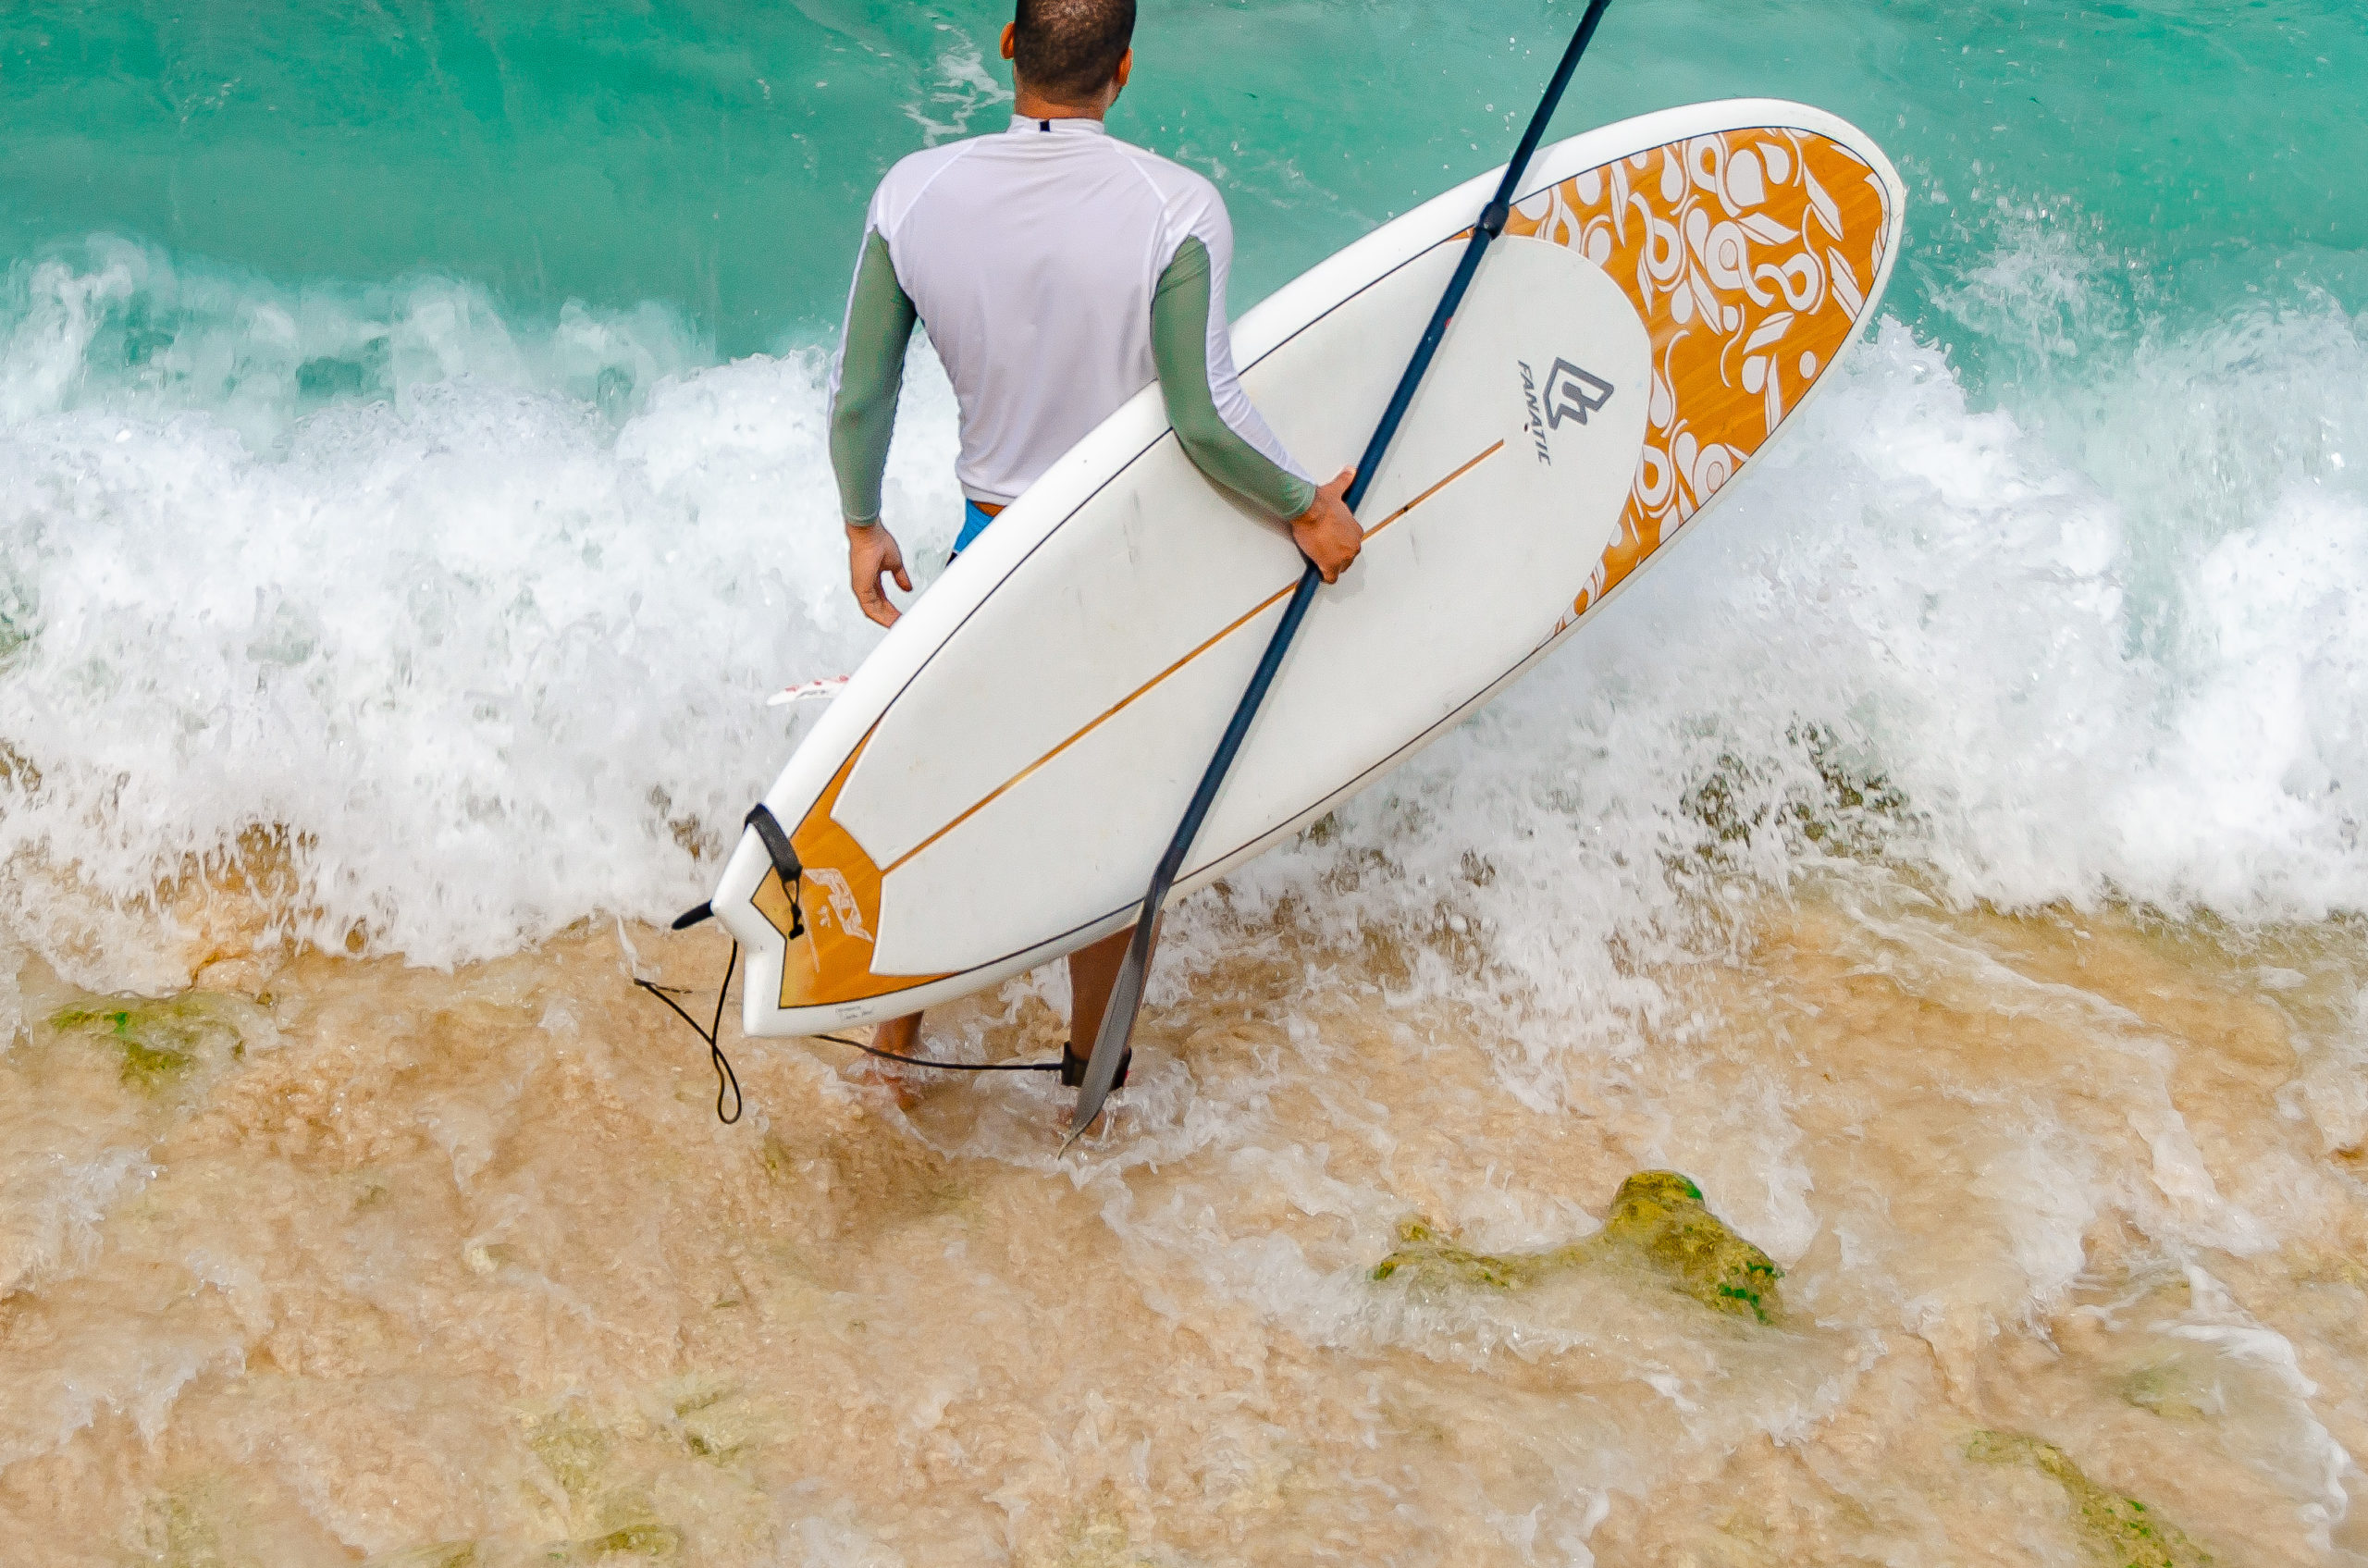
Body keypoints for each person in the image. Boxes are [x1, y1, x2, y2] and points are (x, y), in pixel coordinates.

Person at [826, 0, 1361, 1090]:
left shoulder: (912, 193)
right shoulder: (1174, 206)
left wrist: (862, 521)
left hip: (986, 559)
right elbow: (1201, 417)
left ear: (1010, 45)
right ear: (1123, 69)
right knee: (1105, 839)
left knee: (947, 801)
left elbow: (861, 391)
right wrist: (1307, 507)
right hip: (1116, 570)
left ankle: (895, 1050)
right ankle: (1088, 1086)